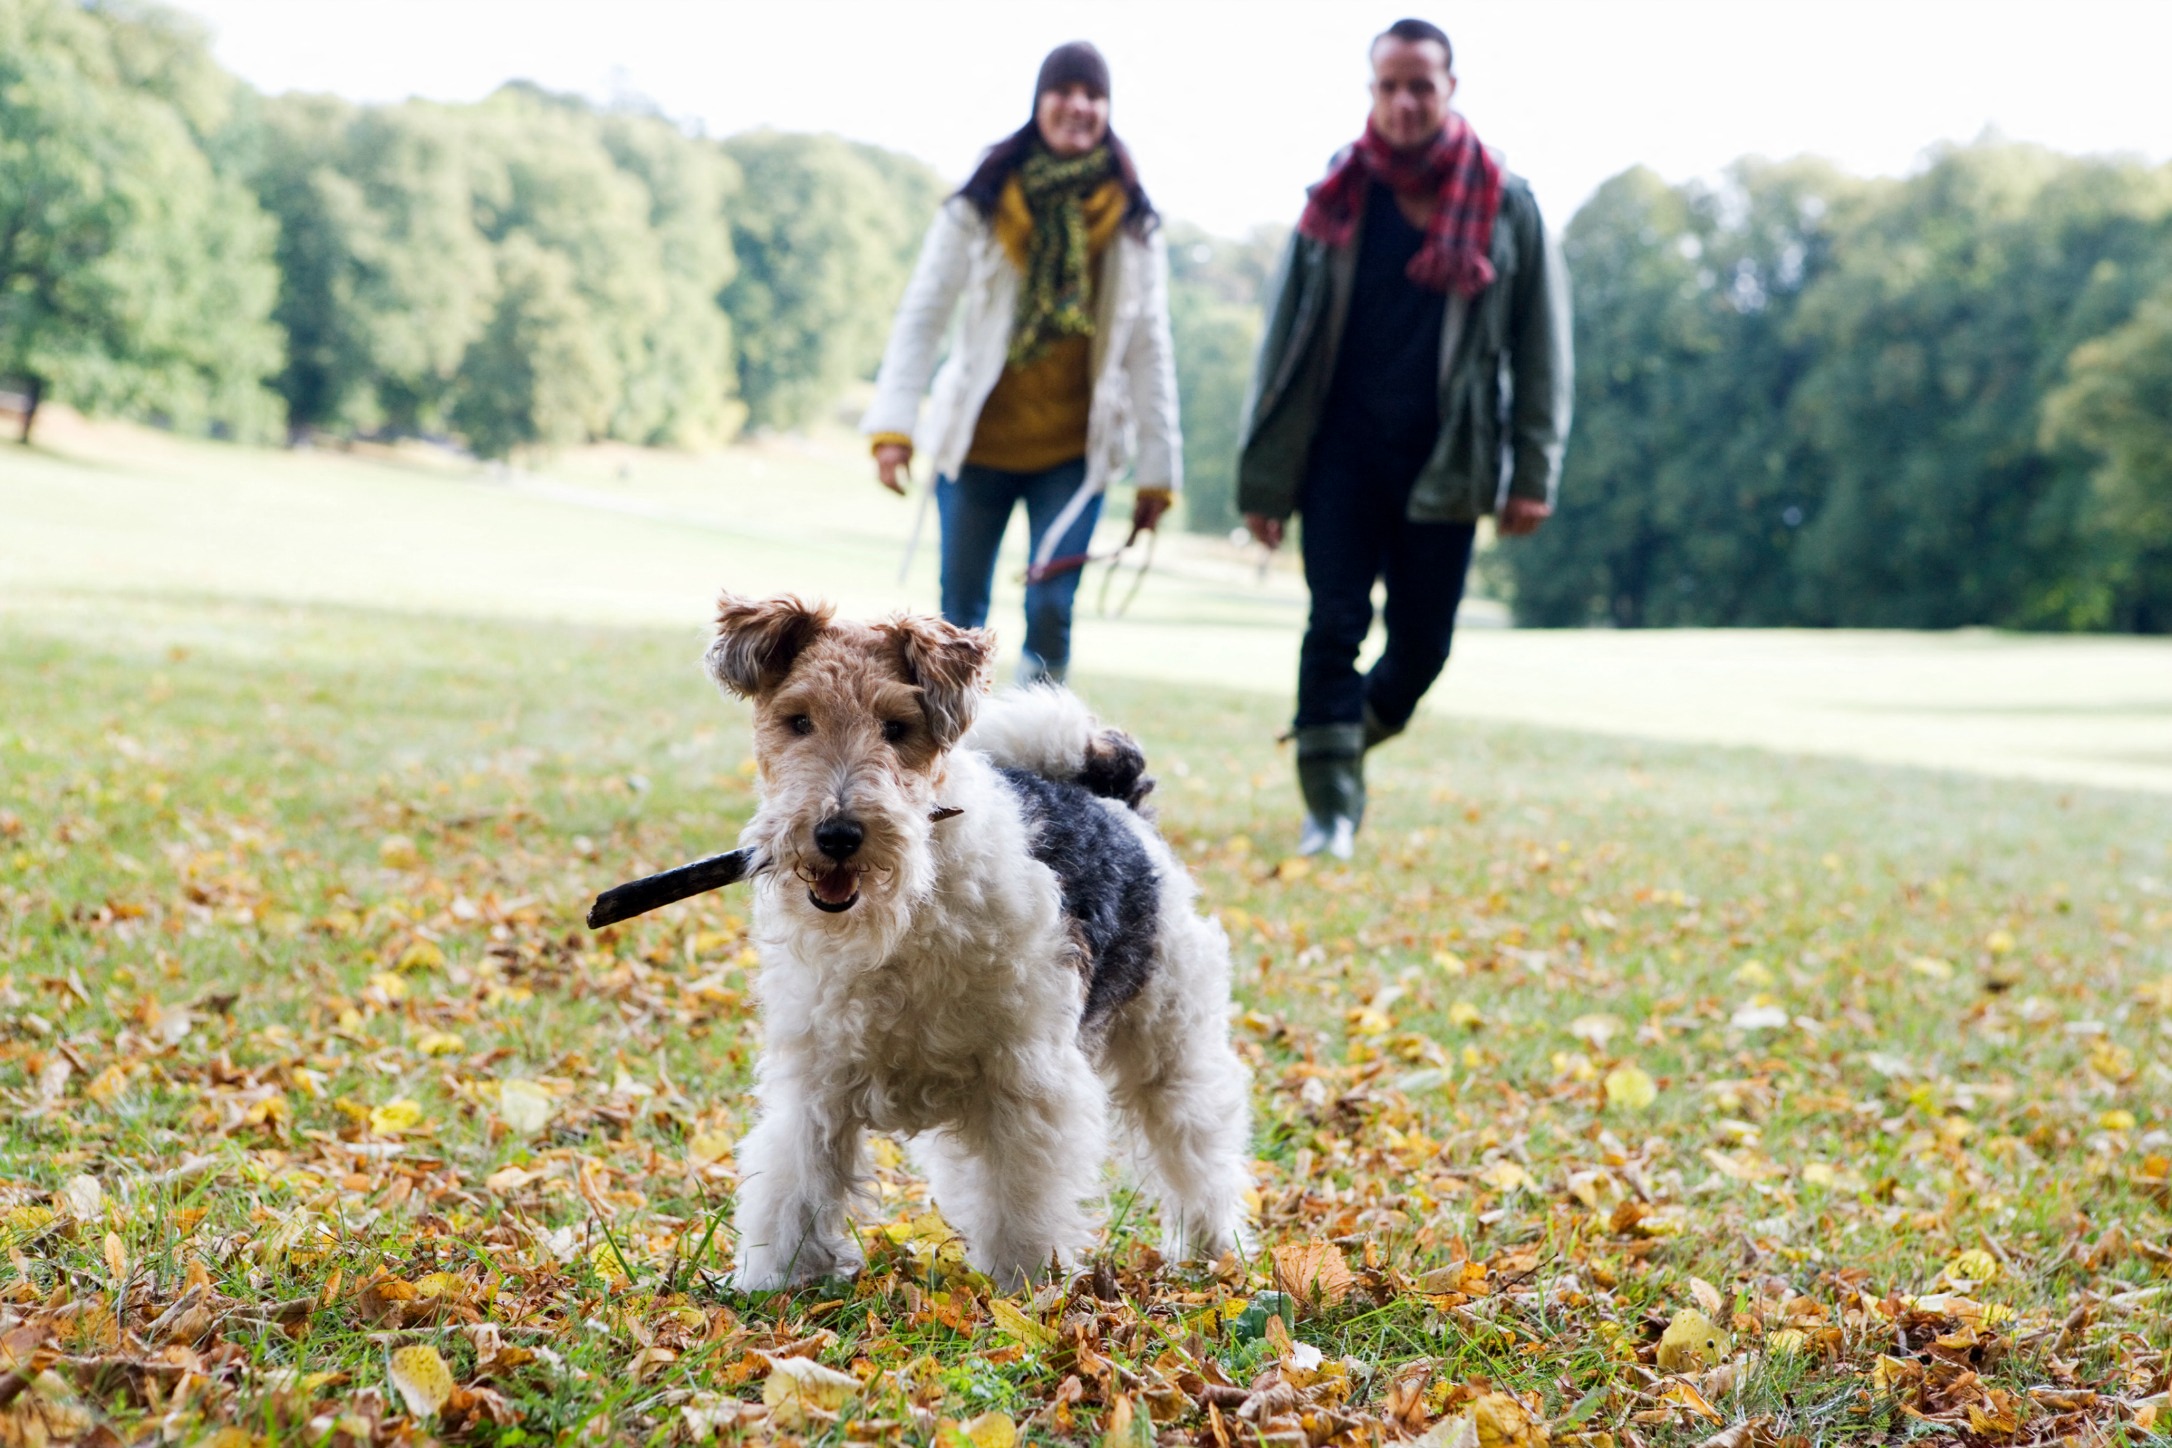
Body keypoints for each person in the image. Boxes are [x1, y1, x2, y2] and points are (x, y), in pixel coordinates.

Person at [1236, 17, 1572, 858]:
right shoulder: (1338, 194)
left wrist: (1533, 471)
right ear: (1372, 92)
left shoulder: (1508, 202)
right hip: (1339, 455)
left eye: (1421, 84)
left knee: (1423, 647)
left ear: (1450, 88)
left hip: (1449, 458)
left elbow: (1543, 348)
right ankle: (1331, 813)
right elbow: (1283, 346)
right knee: (1335, 621)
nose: (1404, 100)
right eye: (1388, 84)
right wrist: (1266, 484)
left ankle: (1335, 736)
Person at [863, 41, 1180, 685]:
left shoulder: (1132, 221)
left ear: (1107, 109)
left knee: (1052, 608)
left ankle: (1036, 762)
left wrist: (1157, 472)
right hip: (976, 444)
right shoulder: (980, 203)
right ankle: (952, 759)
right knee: (958, 621)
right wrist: (893, 428)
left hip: (1073, 453)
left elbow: (1150, 347)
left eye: (1093, 94)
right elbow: (922, 314)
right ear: (1039, 102)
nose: (1078, 105)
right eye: (1064, 90)